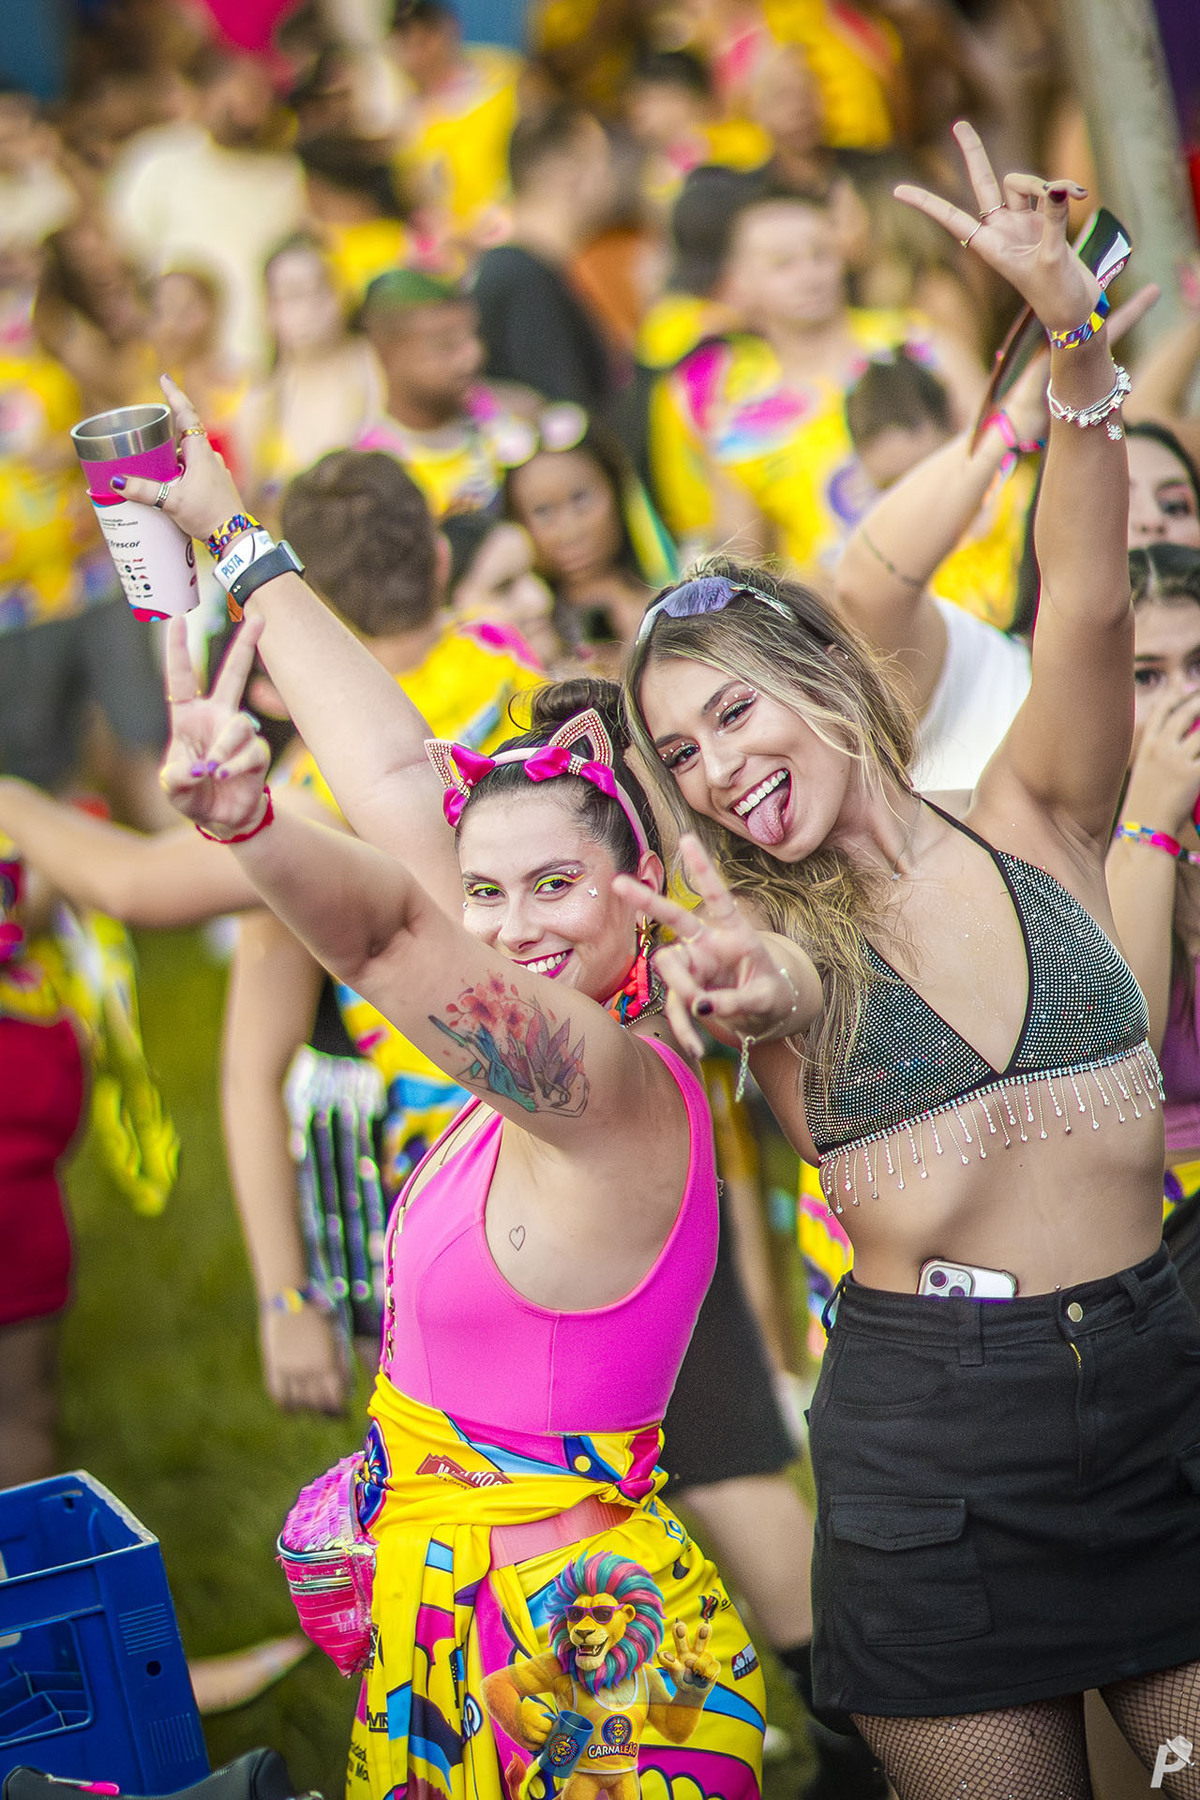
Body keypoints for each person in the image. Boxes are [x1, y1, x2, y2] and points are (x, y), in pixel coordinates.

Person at [616, 123, 1200, 1798]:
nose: (720, 770)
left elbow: (1084, 599)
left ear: (820, 678)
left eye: (735, 712)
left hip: (1158, 1400)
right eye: (683, 755)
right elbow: (775, 990)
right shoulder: (771, 945)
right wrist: (741, 993)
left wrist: (1071, 346)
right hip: (939, 1477)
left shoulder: (1036, 812)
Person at [149, 612, 767, 1800]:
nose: (510, 926)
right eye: (482, 890)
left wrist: (252, 822)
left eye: (555, 885)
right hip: (461, 1639)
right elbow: (391, 779)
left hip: (583, 1675)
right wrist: (230, 536)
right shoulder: (536, 1055)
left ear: (644, 889)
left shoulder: (606, 1086)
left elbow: (388, 937)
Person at [650, 182, 984, 573]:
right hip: (844, 607)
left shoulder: (920, 345)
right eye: (783, 264)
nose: (809, 275)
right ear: (737, 282)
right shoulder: (737, 421)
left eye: (820, 254)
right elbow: (746, 563)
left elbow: (1003, 455)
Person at [1106, 542, 1200, 1310]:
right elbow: (1125, 1056)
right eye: (1148, 677)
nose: (1184, 701)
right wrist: (1151, 826)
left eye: (1199, 666)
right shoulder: (1065, 844)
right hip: (1152, 1246)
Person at [107, 44, 305, 369]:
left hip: (265, 366)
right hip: (180, 365)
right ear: (207, 93)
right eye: (243, 91)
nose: (254, 105)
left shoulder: (287, 175)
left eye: (263, 94)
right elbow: (122, 258)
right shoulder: (158, 160)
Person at [471, 104, 617, 416]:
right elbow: (564, 413)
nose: (609, 178)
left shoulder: (522, 269)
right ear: (565, 172)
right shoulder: (521, 276)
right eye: (601, 162)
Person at [503, 403, 677, 664]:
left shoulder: (677, 600)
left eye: (581, 499)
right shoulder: (523, 636)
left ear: (616, 489)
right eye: (542, 512)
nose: (570, 531)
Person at [354, 266, 528, 518]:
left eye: (475, 335)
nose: (473, 355)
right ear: (386, 351)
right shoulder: (373, 476)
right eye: (446, 345)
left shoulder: (515, 415)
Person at [236, 234, 383, 519]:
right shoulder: (261, 400)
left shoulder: (375, 368)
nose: (312, 308)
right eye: (293, 295)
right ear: (269, 310)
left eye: (321, 290)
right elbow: (249, 506)